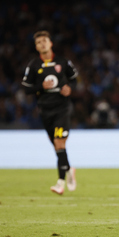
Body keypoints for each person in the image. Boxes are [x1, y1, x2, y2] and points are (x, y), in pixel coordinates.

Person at [22, 31, 77, 195]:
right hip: (45, 111)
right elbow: (26, 88)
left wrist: (70, 87)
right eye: (39, 42)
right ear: (36, 47)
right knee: (57, 147)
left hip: (62, 109)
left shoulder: (63, 62)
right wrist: (41, 87)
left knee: (60, 144)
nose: (42, 44)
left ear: (51, 43)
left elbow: (74, 78)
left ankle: (60, 183)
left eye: (44, 40)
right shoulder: (33, 65)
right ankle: (68, 170)